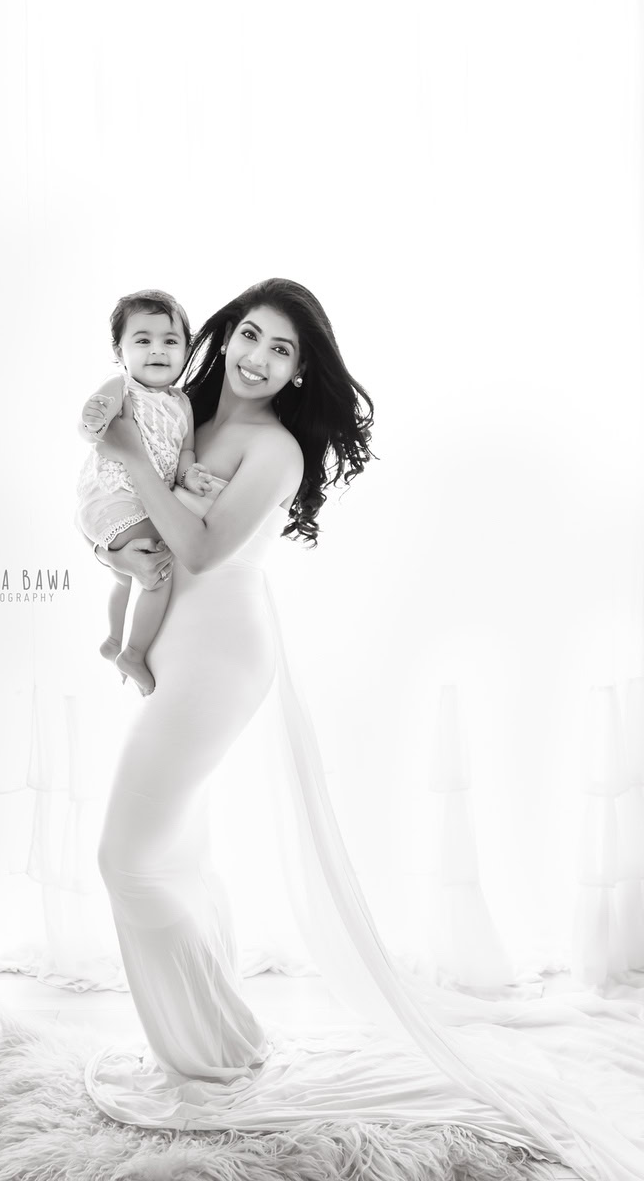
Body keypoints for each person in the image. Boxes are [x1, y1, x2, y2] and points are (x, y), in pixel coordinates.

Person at [84, 279, 644, 1181]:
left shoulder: (274, 449)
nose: (258, 358)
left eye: (282, 351)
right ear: (224, 336)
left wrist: (129, 461)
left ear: (300, 373)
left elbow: (201, 549)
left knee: (127, 858)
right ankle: (210, 1043)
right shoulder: (184, 415)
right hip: (177, 641)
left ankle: (209, 1057)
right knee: (173, 853)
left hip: (221, 652)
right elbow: (134, 506)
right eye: (251, 336)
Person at [76, 288, 212, 695]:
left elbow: (185, 452)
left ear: (186, 350)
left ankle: (113, 639)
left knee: (124, 579)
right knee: (159, 570)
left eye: (170, 341)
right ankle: (133, 653)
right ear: (120, 351)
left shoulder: (182, 404)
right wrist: (91, 419)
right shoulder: (120, 387)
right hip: (115, 496)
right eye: (143, 340)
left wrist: (189, 476)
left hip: (130, 504)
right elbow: (90, 424)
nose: (157, 350)